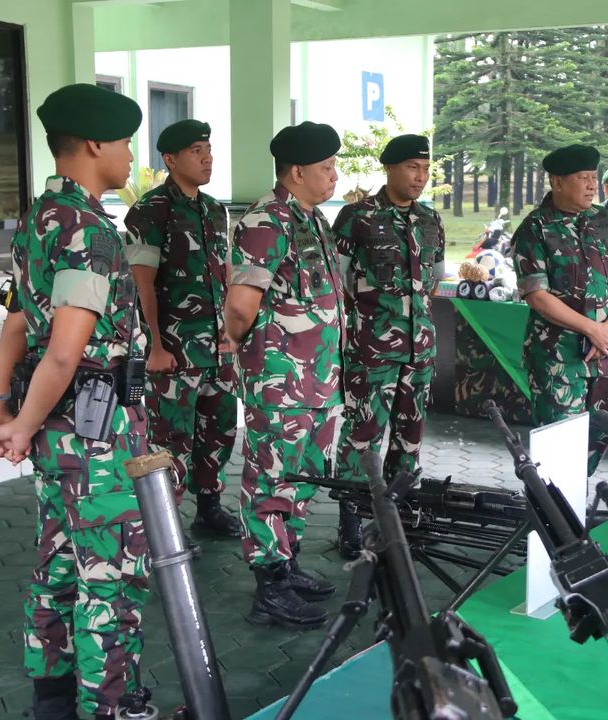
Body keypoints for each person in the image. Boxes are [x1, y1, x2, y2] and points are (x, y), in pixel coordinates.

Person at [0, 83, 151, 720]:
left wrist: (5, 405)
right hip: (95, 435)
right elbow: (64, 348)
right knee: (110, 576)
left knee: (57, 563)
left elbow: (16, 323)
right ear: (93, 145)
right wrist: (19, 426)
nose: (131, 154)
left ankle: (51, 700)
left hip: (60, 431)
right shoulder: (89, 232)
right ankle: (110, 706)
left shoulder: (38, 220)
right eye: (126, 142)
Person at [224, 122, 342, 628]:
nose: (335, 176)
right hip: (281, 382)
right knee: (271, 477)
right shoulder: (265, 221)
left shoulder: (312, 219)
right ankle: (270, 585)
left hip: (318, 378)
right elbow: (239, 306)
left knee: (304, 476)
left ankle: (287, 563)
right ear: (297, 171)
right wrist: (252, 358)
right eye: (326, 167)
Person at [124, 119, 242, 541]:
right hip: (174, 351)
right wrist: (154, 345)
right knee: (170, 441)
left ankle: (208, 508)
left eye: (208, 149)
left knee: (219, 430)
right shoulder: (150, 210)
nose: (207, 157)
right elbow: (142, 284)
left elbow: (225, 275)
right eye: (196, 150)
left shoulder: (214, 209)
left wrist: (230, 331)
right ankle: (164, 528)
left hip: (217, 348)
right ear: (170, 159)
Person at [331, 134, 445, 559]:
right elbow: (334, 280)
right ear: (390, 168)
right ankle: (350, 518)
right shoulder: (355, 217)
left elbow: (434, 277)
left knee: (410, 435)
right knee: (363, 433)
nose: (420, 176)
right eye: (413, 167)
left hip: (420, 349)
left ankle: (401, 517)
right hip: (372, 349)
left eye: (426, 168)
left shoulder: (431, 219)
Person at [511, 144, 608, 477]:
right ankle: (555, 519)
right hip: (559, 359)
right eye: (584, 178)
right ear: (558, 182)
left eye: (594, 177)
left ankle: (579, 508)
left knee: (600, 437)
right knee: (559, 448)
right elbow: (537, 294)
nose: (593, 185)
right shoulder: (535, 229)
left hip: (606, 353)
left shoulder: (604, 220)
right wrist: (592, 329)